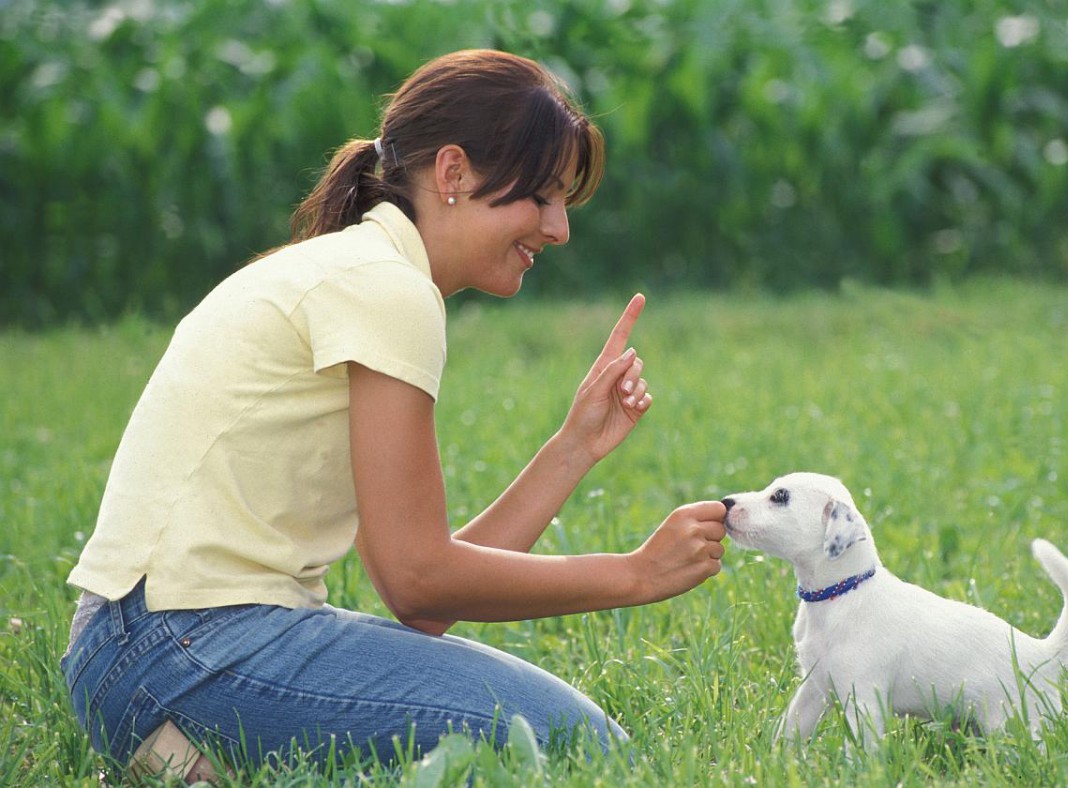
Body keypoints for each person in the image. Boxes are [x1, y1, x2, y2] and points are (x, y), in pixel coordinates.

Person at [60, 49, 727, 779]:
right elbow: (418, 581)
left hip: (145, 650)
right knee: (580, 746)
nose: (560, 227)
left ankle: (200, 760)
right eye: (542, 196)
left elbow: (426, 600)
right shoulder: (386, 289)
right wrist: (633, 575)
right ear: (452, 173)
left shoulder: (356, 269)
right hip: (190, 647)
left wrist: (573, 448)